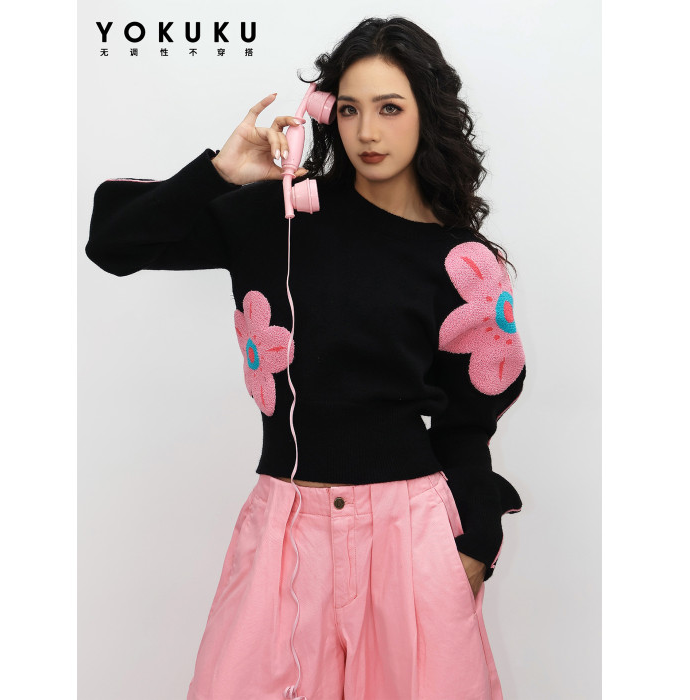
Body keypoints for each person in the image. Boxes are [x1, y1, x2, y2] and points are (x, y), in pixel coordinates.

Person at [86, 16, 527, 700]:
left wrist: (475, 547)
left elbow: (469, 425)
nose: (368, 132)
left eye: (390, 108)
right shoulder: (280, 217)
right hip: (284, 530)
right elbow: (113, 243)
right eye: (349, 109)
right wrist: (222, 172)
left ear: (428, 114)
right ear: (325, 112)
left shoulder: (462, 263)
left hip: (411, 539)